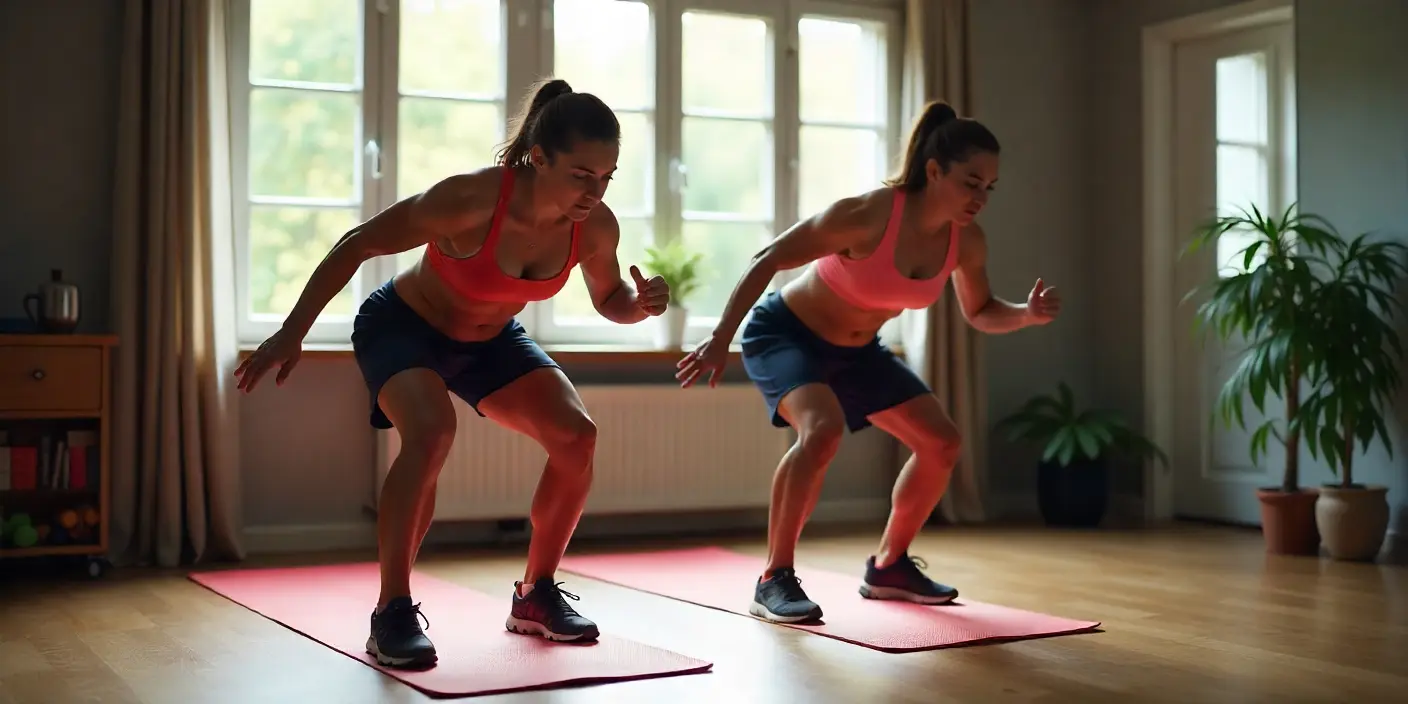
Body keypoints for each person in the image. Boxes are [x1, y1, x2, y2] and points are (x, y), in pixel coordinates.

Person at [233, 78, 671, 668]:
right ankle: (392, 610)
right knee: (432, 433)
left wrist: (639, 306)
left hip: (491, 340)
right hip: (404, 326)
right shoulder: (470, 199)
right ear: (539, 158)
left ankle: (535, 594)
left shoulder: (594, 227)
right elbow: (357, 243)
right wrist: (293, 331)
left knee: (577, 436)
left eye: (607, 177)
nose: (594, 191)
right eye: (580, 175)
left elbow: (609, 297)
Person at [675, 100, 1060, 624]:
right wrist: (721, 337)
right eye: (971, 182)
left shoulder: (965, 242)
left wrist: (1026, 315)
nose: (980, 198)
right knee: (822, 430)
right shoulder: (869, 215)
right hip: (786, 334)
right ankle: (774, 579)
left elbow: (981, 310)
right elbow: (768, 258)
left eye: (989, 187)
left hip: (858, 352)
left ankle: (889, 567)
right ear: (934, 170)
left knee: (942, 443)